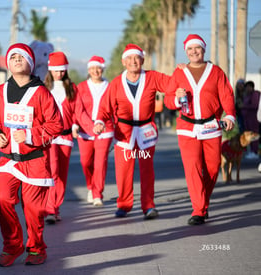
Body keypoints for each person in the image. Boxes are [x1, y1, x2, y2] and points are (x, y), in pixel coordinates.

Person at [0, 43, 63, 266]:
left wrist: (30, 135)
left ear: (31, 63)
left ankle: (36, 248)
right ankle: (12, 246)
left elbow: (55, 124)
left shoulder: (41, 93)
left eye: (22, 57)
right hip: (8, 161)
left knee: (33, 208)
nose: (17, 59)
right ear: (8, 64)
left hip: (34, 160)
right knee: (2, 199)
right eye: (13, 57)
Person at [164, 34, 236, 225]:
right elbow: (167, 100)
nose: (193, 52)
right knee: (193, 168)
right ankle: (199, 210)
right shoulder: (179, 73)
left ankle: (202, 202)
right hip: (187, 127)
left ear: (203, 49)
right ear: (186, 51)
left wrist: (229, 114)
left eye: (197, 48)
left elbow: (227, 95)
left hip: (211, 126)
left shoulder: (216, 72)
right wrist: (177, 99)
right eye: (190, 49)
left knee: (212, 168)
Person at [93, 44, 172, 220]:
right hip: (124, 135)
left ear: (142, 60)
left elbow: (172, 84)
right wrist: (99, 122)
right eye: (129, 58)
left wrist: (183, 71)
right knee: (123, 172)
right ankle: (124, 205)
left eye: (136, 58)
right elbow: (104, 108)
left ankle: (149, 206)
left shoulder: (152, 77)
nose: (133, 61)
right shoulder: (115, 83)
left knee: (146, 171)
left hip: (145, 133)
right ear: (123, 62)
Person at [43, 52, 93, 224]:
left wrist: (92, 127)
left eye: (62, 71)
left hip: (66, 138)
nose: (59, 74)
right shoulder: (43, 88)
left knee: (62, 174)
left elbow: (79, 112)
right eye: (56, 70)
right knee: (53, 171)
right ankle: (49, 209)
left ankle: (56, 208)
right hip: (49, 138)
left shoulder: (72, 88)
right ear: (50, 70)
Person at [75, 56, 113, 206]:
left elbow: (114, 108)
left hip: (105, 129)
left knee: (100, 162)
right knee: (85, 162)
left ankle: (98, 193)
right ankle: (91, 186)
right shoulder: (81, 87)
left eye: (98, 68)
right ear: (88, 70)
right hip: (85, 130)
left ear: (102, 69)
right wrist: (79, 125)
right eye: (92, 68)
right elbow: (77, 109)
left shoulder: (110, 87)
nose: (95, 71)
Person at [241, 80, 260, 159]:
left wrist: (244, 106)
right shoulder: (247, 95)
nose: (247, 89)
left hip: (253, 119)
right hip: (247, 119)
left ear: (251, 87)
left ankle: (255, 152)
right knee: (249, 135)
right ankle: (251, 151)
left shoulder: (255, 94)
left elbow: (255, 105)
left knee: (254, 135)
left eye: (248, 87)